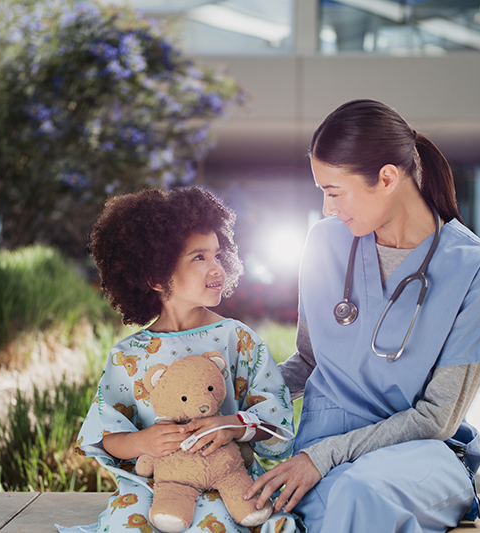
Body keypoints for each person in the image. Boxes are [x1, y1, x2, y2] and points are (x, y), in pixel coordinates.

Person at [245, 99, 480, 533]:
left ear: (387, 177)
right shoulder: (325, 242)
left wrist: (323, 457)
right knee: (329, 508)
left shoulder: (475, 268)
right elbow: (309, 361)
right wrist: (237, 406)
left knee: (358, 496)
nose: (328, 209)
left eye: (334, 192)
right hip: (321, 451)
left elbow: (436, 418)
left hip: (415, 458)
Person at [58, 186, 299, 533]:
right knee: (128, 525)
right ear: (155, 275)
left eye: (218, 255)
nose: (216, 268)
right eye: (199, 257)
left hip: (228, 480)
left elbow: (277, 422)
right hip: (156, 486)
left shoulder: (237, 339)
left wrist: (233, 425)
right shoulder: (128, 356)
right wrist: (143, 442)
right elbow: (107, 433)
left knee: (216, 524)